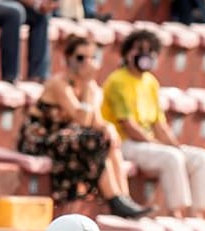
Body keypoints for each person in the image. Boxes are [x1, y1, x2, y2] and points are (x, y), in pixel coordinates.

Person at [19, 35, 149, 218]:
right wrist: (88, 84)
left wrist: (108, 128)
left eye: (91, 57)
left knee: (107, 141)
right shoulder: (59, 83)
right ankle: (113, 199)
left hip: (71, 138)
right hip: (42, 138)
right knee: (94, 140)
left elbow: (95, 122)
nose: (86, 63)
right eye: (80, 58)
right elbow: (82, 119)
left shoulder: (92, 88)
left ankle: (123, 198)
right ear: (68, 59)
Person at [100, 30, 205, 218]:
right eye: (139, 49)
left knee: (201, 158)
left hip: (148, 142)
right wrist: (156, 144)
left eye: (150, 50)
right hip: (126, 143)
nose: (144, 54)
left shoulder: (151, 82)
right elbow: (128, 125)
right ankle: (176, 213)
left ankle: (197, 214)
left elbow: (159, 124)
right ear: (127, 53)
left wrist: (174, 145)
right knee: (172, 157)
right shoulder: (117, 81)